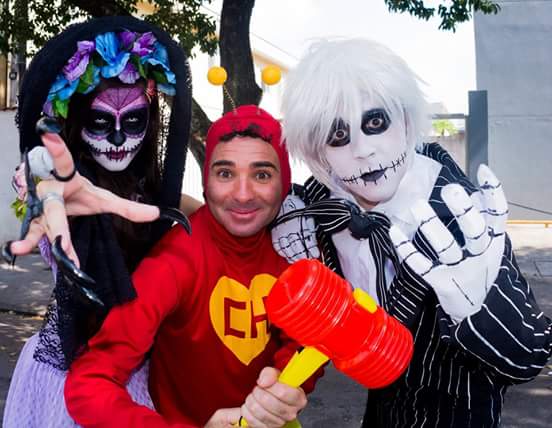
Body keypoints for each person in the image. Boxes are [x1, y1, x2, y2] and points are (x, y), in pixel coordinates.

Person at [272, 38, 552, 427]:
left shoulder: (462, 218)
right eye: (338, 135)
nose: (363, 150)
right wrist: (288, 206)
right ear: (320, 154)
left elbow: (528, 356)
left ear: (405, 120)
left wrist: (484, 308)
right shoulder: (330, 200)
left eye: (375, 122)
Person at [63, 105, 313, 427]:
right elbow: (90, 382)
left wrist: (289, 382)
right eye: (225, 173)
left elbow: (306, 341)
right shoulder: (173, 262)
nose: (242, 194)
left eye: (262, 174)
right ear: (207, 181)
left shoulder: (295, 248)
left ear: (285, 183)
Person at [2, 16, 194, 427]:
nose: (119, 139)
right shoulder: (64, 184)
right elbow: (46, 181)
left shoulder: (150, 194)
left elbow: (211, 212)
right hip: (60, 384)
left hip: (136, 377)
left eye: (134, 121)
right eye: (101, 122)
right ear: (75, 121)